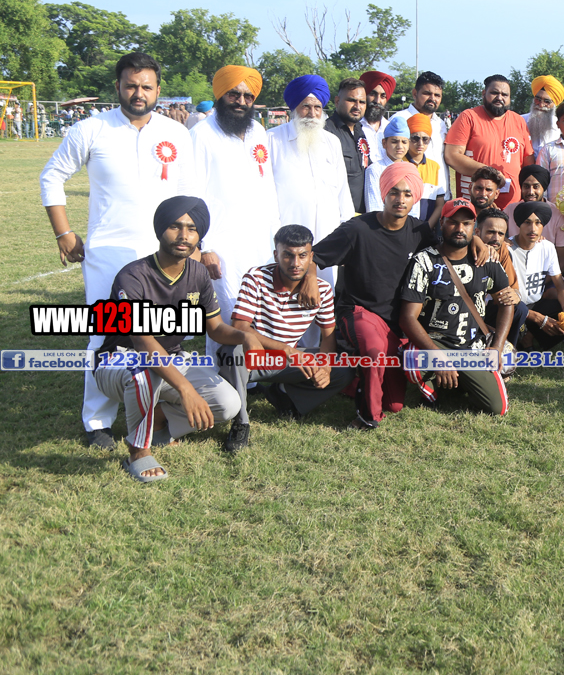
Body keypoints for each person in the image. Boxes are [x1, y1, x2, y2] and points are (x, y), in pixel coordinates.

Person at [40, 52, 199, 448]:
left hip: (165, 253)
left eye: (146, 86)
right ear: (118, 87)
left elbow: (189, 194)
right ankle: (96, 422)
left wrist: (196, 245)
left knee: (163, 333)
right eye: (131, 85)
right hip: (108, 252)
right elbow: (52, 176)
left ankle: (155, 415)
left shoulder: (176, 133)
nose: (138, 93)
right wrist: (63, 232)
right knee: (105, 336)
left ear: (158, 90)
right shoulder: (91, 129)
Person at [93, 197, 261, 482]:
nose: (184, 235)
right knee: (143, 373)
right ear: (160, 230)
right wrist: (185, 389)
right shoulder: (132, 276)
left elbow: (215, 328)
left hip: (171, 359)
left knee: (227, 403)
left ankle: (159, 422)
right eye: (175, 226)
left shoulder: (198, 273)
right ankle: (138, 451)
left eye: (192, 229)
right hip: (119, 361)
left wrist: (245, 335)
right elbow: (142, 343)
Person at [311, 162, 434, 429]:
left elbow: (449, 252)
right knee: (374, 352)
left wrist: (478, 241)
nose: (400, 199)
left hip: (394, 323)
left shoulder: (419, 232)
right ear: (383, 193)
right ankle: (367, 417)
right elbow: (314, 256)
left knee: (394, 404)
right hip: (358, 310)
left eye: (407, 193)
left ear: (415, 197)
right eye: (394, 192)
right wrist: (310, 281)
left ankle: (347, 377)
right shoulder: (357, 228)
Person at [219, 224, 354, 449]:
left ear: (311, 256)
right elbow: (240, 326)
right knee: (231, 351)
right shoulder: (256, 277)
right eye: (287, 255)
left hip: (288, 361)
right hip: (256, 356)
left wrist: (325, 367)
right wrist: (288, 350)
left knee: (344, 365)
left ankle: (286, 398)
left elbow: (328, 336)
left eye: (302, 256)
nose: (295, 263)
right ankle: (240, 423)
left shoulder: (322, 289)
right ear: (276, 255)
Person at [191, 65, 281, 363]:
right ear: (220, 95)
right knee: (226, 310)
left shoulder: (258, 131)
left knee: (261, 310)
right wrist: (205, 247)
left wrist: (276, 235)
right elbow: (193, 194)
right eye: (233, 94)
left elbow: (268, 184)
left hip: (262, 239)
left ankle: (257, 376)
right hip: (222, 243)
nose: (241, 101)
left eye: (247, 96)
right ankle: (223, 376)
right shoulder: (201, 134)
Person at [397, 198, 514, 415]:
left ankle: (457, 382)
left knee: (498, 408)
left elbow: (507, 302)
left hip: (472, 347)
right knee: (413, 360)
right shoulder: (424, 261)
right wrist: (438, 357)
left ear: (474, 228)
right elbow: (407, 318)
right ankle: (432, 389)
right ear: (442, 223)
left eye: (466, 223)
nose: (460, 229)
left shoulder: (487, 260)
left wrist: (497, 348)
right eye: (453, 222)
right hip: (435, 342)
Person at [270, 75, 354, 288]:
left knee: (325, 293)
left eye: (317, 107)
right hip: (287, 240)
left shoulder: (332, 142)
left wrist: (347, 239)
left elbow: (342, 193)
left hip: (327, 238)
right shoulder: (271, 140)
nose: (312, 113)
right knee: (285, 294)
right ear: (294, 108)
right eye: (306, 106)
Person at [504, 201, 564, 349]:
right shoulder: (506, 249)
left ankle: (531, 338)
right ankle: (523, 339)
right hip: (512, 309)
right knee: (510, 324)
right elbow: (504, 298)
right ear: (519, 224)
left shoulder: (547, 247)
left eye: (538, 223)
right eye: (527, 222)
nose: (533, 228)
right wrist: (539, 319)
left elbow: (560, 285)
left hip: (536, 304)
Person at [443, 74, 534, 209]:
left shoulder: (519, 121)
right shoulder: (469, 117)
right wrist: (491, 173)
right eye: (494, 93)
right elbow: (452, 155)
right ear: (483, 93)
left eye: (505, 94)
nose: (500, 98)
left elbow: (528, 163)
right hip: (476, 205)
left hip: (512, 207)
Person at [503, 164, 564, 274]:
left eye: (536, 187)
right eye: (526, 186)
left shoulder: (558, 215)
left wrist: (538, 281)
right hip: (515, 273)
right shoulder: (510, 209)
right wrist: (503, 239)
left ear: (543, 188)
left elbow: (563, 262)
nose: (531, 192)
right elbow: (495, 233)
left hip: (547, 275)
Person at [395, 71, 449, 196]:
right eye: (427, 93)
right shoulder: (400, 120)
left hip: (439, 195)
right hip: (409, 195)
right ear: (415, 93)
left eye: (437, 95)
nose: (432, 99)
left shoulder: (440, 124)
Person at [324, 77, 371, 213]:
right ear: (337, 101)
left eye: (362, 102)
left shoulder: (360, 131)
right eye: (351, 100)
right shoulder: (326, 132)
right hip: (338, 214)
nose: (357, 106)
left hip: (362, 215)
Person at [365, 115, 411, 212]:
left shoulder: (411, 171)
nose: (400, 146)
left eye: (404, 142)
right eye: (394, 142)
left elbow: (414, 207)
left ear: (409, 144)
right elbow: (373, 207)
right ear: (384, 143)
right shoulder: (375, 170)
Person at [405, 113, 446, 224]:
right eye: (415, 138)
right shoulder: (399, 164)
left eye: (425, 139)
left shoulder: (435, 167)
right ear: (407, 138)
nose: (420, 143)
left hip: (427, 227)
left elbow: (439, 204)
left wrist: (428, 227)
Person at [522, 75, 564, 158]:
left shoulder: (560, 127)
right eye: (537, 99)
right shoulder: (520, 121)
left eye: (547, 101)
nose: (541, 105)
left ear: (554, 104)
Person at [359, 70, 395, 164]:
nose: (377, 100)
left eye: (383, 96)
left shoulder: (390, 128)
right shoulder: (355, 126)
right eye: (372, 94)